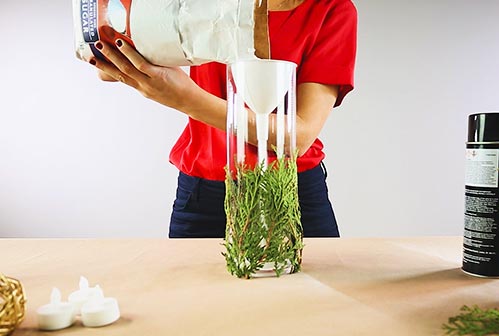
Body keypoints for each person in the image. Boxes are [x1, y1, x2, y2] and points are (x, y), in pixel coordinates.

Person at [89, 0, 357, 238]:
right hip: (205, 194)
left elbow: (300, 135)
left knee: (311, 293)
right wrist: (110, 46)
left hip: (290, 190)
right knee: (194, 295)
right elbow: (111, 63)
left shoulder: (331, 10)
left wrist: (186, 99)